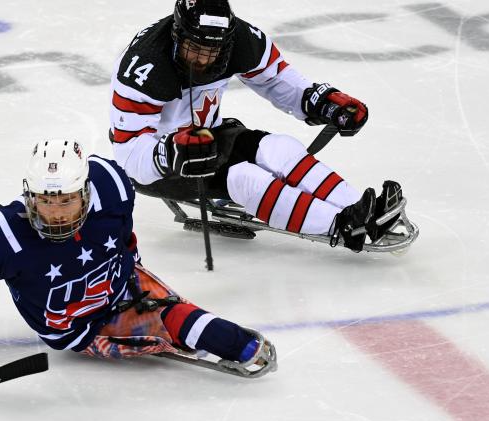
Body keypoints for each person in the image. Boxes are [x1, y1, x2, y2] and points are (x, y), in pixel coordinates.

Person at [0, 139, 277, 390]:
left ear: (85, 191)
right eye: (44, 201)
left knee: (176, 316)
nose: (55, 213)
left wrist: (130, 264)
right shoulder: (4, 233)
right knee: (176, 321)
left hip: (123, 279)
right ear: (28, 195)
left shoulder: (111, 184)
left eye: (66, 200)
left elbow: (124, 230)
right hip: (79, 325)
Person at [109, 0, 403, 252]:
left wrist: (322, 103)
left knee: (280, 148)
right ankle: (340, 225)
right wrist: (168, 153)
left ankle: (363, 209)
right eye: (193, 48)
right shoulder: (144, 67)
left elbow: (277, 81)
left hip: (210, 134)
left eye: (212, 51)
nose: (202, 59)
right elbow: (128, 154)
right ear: (177, 34)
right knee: (244, 178)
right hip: (164, 164)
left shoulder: (240, 39)